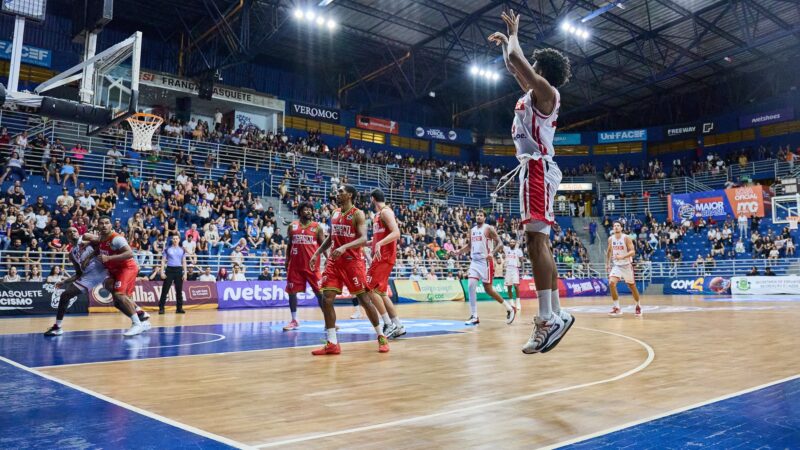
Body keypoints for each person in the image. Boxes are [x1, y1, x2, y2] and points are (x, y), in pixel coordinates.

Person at [490, 9, 573, 354]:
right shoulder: (534, 93)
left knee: (534, 242)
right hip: (537, 169)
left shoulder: (546, 91)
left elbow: (516, 59)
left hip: (537, 168)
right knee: (541, 243)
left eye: (534, 65)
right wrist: (505, 46)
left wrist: (513, 34)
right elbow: (514, 66)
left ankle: (546, 319)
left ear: (542, 71)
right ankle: (556, 312)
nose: (529, 67)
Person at [310, 184, 389, 355]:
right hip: (334, 262)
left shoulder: (357, 214)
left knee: (365, 301)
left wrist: (345, 247)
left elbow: (363, 239)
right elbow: (331, 237)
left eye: (341, 192)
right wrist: (317, 253)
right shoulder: (335, 213)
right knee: (326, 299)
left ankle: (381, 336)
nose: (337, 194)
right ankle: (332, 343)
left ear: (350, 195)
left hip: (353, 263)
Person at [45, 227, 150, 336]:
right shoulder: (72, 254)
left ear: (78, 232)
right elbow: (78, 273)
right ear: (67, 236)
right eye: (70, 232)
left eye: (74, 231)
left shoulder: (86, 237)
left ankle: (139, 317)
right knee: (65, 295)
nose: (73, 233)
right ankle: (57, 327)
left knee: (118, 297)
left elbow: (102, 241)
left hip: (102, 271)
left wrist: (88, 255)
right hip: (89, 277)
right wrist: (64, 281)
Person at [84, 217, 148, 336]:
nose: (104, 225)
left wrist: (108, 258)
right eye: (101, 223)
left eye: (107, 223)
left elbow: (129, 253)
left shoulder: (117, 238)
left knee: (119, 295)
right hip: (114, 270)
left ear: (111, 225)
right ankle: (141, 316)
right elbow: (90, 240)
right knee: (116, 299)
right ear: (98, 226)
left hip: (126, 268)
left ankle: (137, 324)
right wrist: (87, 258)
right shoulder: (101, 238)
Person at [454, 210, 516, 325]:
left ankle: (509, 308)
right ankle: (474, 316)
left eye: (481, 215)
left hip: (485, 262)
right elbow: (469, 246)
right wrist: (459, 251)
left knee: (488, 290)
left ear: (484, 218)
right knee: (471, 286)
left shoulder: (488, 228)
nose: (478, 217)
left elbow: (500, 243)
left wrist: (492, 253)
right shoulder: (472, 230)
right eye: (477, 215)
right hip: (474, 262)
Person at [365, 188, 405, 338]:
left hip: (384, 257)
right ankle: (398, 325)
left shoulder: (386, 212)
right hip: (381, 258)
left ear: (373, 199)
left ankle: (388, 324)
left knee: (368, 288)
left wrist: (379, 244)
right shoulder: (377, 215)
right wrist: (364, 243)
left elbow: (396, 233)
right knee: (381, 292)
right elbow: (377, 239)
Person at [281, 202, 324, 331]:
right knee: (292, 292)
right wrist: (287, 260)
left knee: (320, 293)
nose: (309, 211)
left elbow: (324, 245)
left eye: (310, 209)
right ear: (300, 212)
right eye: (306, 209)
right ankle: (294, 320)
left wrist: (329, 259)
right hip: (295, 266)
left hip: (312, 267)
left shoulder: (317, 227)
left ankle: (328, 320)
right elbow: (289, 245)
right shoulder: (292, 226)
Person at [606, 221, 643, 318]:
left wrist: (622, 257)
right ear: (613, 228)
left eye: (618, 226)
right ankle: (617, 308)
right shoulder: (611, 239)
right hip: (617, 265)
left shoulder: (626, 238)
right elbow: (609, 251)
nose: (616, 227)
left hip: (626, 265)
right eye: (614, 226)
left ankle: (638, 306)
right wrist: (607, 264)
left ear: (621, 228)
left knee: (632, 286)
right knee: (611, 283)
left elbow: (633, 252)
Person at [158, 235, 187, 314]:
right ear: (172, 240)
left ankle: (179, 308)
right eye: (174, 239)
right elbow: (163, 261)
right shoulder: (167, 249)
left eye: (176, 239)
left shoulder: (182, 250)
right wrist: (162, 272)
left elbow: (184, 261)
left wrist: (185, 273)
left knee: (179, 290)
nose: (175, 240)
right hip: (169, 270)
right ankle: (161, 308)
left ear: (179, 240)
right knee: (165, 290)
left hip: (179, 270)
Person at [504, 239, 524, 312]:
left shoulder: (518, 251)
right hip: (508, 269)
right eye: (511, 242)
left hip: (515, 269)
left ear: (515, 243)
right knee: (509, 287)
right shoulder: (506, 249)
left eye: (513, 242)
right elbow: (499, 243)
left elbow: (522, 260)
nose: (512, 243)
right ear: (509, 243)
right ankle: (511, 303)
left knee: (516, 286)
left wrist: (521, 265)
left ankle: (518, 302)